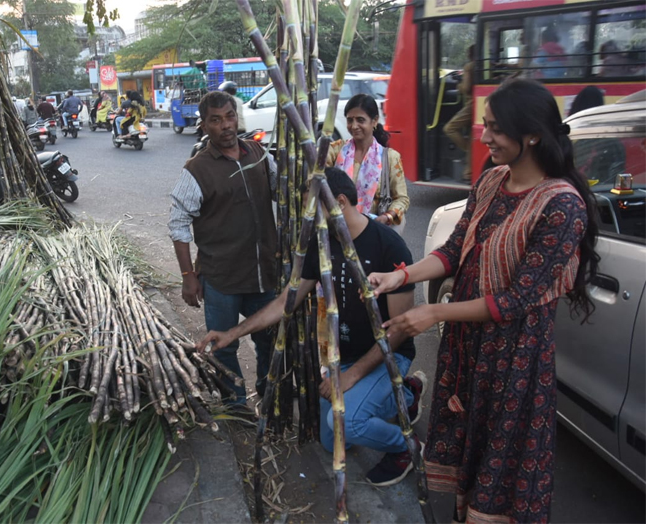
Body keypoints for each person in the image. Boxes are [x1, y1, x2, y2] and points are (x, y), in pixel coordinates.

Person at [367, 78, 599, 523]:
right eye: (485, 125)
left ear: (532, 135)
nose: (484, 137)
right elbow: (454, 249)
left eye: (495, 128)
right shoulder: (492, 180)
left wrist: (433, 312)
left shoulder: (562, 206)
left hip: (514, 361)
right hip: (468, 350)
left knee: (501, 468)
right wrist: (399, 276)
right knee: (468, 458)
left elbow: (516, 301)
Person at [197, 167, 426, 486]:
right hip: (346, 356)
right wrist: (231, 333)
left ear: (340, 202)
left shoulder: (388, 245)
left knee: (348, 422)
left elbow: (399, 330)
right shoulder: (322, 245)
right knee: (331, 439)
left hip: (389, 356)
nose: (308, 218)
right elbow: (285, 302)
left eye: (313, 209)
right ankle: (405, 394)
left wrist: (349, 377)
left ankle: (407, 447)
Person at [168, 90, 277, 403]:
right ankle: (236, 404)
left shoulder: (258, 153)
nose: (226, 125)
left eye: (230, 116)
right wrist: (188, 276)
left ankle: (269, 392)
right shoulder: (196, 170)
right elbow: (178, 225)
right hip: (221, 278)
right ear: (204, 125)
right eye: (216, 120)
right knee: (222, 347)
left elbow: (282, 191)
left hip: (263, 274)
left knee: (271, 340)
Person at [326, 94, 410, 234]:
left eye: (360, 120)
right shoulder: (335, 150)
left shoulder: (390, 158)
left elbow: (402, 199)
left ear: (374, 121)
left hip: (373, 228)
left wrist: (387, 217)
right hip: (337, 228)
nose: (354, 126)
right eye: (350, 120)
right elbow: (317, 178)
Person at [444, 45, 475, 181]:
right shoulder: (483, 65)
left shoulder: (469, 66)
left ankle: (468, 150)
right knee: (473, 135)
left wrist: (459, 85)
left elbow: (466, 87)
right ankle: (468, 172)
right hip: (476, 104)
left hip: (472, 104)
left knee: (450, 128)